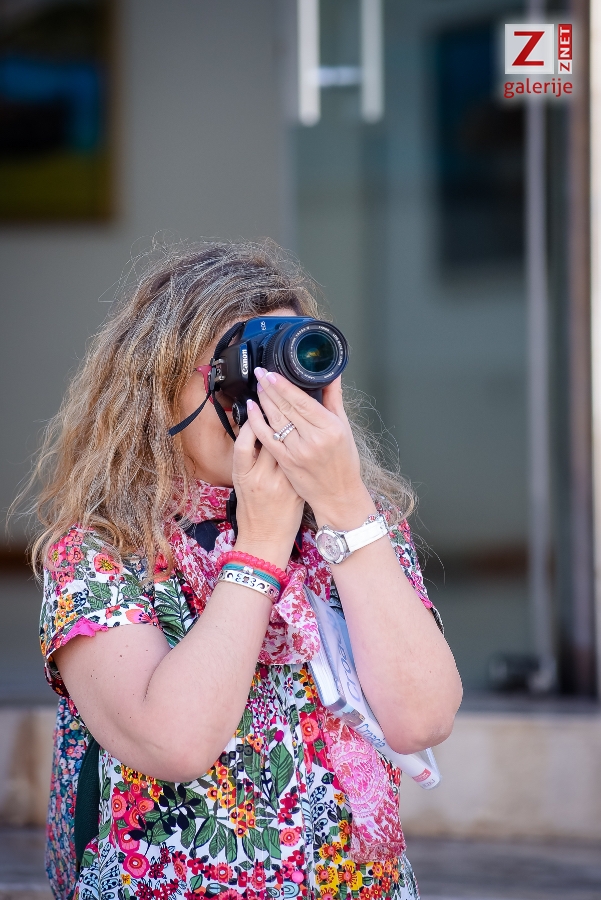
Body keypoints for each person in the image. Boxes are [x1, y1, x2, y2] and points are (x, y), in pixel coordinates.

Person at [30, 242, 462, 900]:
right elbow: (173, 742)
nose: (270, 397)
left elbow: (422, 720)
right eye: (242, 369)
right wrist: (259, 549)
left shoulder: (357, 527)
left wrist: (345, 509)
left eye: (289, 369)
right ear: (158, 387)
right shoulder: (100, 550)